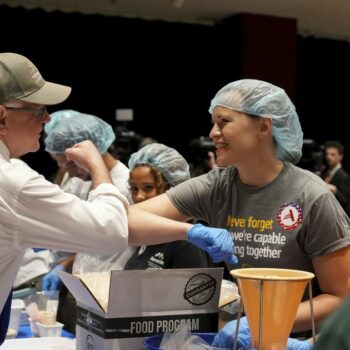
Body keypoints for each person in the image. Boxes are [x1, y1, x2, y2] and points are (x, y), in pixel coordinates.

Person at [0, 52, 235, 344]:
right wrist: (98, 167)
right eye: (38, 110)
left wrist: (187, 231)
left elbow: (118, 225)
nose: (46, 118)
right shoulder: (11, 181)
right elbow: (113, 228)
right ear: (2, 115)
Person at [128, 79, 350, 338]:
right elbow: (130, 222)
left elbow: (341, 297)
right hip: (249, 337)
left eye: (224, 121)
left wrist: (264, 324)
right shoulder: (217, 186)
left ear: (264, 126)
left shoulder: (311, 197)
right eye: (213, 122)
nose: (213, 133)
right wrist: (189, 232)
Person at [40, 110, 135, 332]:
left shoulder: (126, 186)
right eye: (62, 166)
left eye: (71, 165)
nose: (70, 173)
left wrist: (65, 263)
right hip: (81, 285)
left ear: (93, 151)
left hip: (109, 289)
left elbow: (107, 239)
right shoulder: (82, 180)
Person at [124, 143, 209, 270]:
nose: (139, 196)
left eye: (148, 188)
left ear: (171, 190)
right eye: (134, 188)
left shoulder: (185, 242)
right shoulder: (148, 236)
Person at [320, 140, 350, 216]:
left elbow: (346, 201)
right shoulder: (324, 172)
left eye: (333, 154)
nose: (328, 157)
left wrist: (335, 190)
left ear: (341, 156)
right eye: (327, 154)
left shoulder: (343, 176)